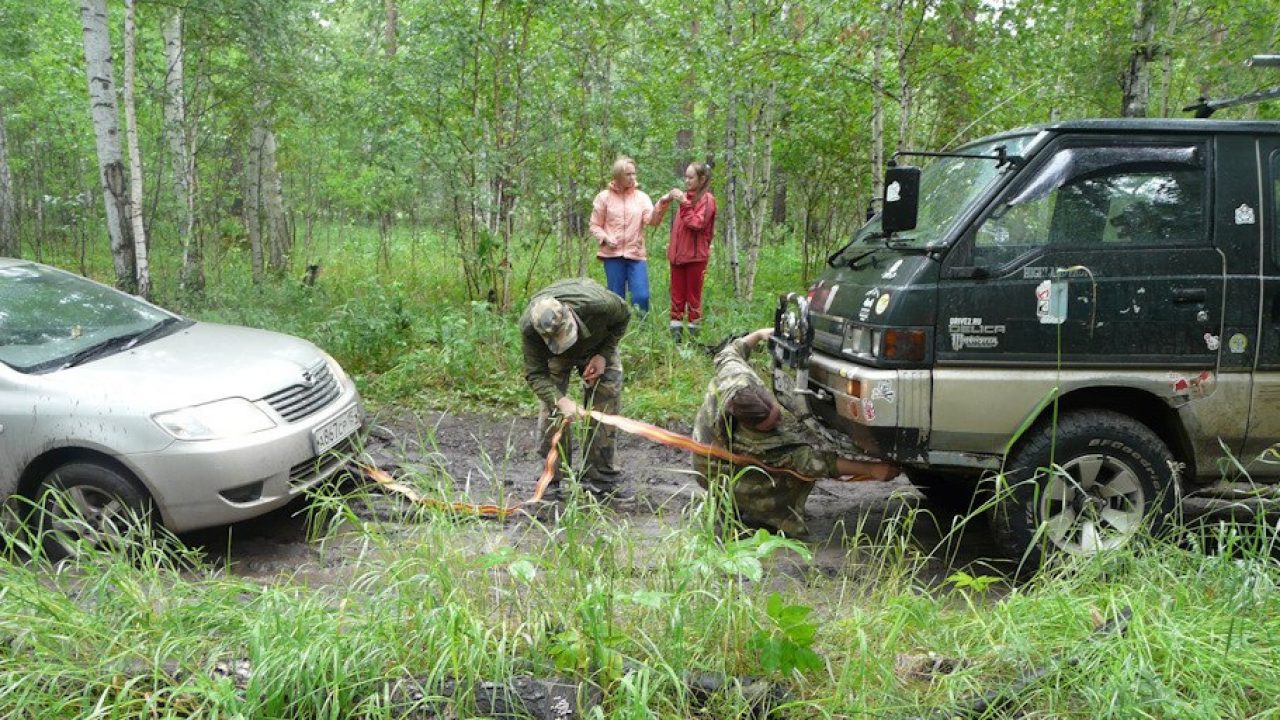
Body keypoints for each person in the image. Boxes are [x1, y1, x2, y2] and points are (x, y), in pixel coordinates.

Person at [692, 328, 898, 537]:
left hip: (706, 446)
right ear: (752, 426)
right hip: (710, 468)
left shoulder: (736, 378)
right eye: (771, 424)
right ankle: (747, 505)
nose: (779, 420)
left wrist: (761, 334)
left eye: (776, 413)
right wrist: (872, 469)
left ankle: (729, 495)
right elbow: (814, 463)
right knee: (792, 476)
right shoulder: (754, 442)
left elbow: (729, 352)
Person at [521, 277, 632, 500]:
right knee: (553, 407)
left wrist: (603, 354)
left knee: (606, 401)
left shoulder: (599, 304)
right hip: (553, 357)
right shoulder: (530, 329)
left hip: (597, 342)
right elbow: (535, 374)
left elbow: (624, 317)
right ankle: (551, 477)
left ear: (569, 312)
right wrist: (561, 401)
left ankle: (601, 480)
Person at [590, 156, 664, 313]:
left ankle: (642, 330)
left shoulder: (641, 198)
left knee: (641, 296)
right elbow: (595, 225)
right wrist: (604, 237)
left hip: (636, 254)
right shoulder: (604, 197)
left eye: (634, 174)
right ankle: (619, 332)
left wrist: (662, 204)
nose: (632, 178)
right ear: (617, 176)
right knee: (616, 299)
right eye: (628, 174)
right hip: (612, 255)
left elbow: (652, 220)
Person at [657, 162, 717, 342]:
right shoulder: (687, 199)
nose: (687, 181)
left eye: (691, 177)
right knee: (676, 299)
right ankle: (675, 341)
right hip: (678, 257)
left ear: (702, 179)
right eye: (686, 177)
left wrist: (684, 204)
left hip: (695, 258)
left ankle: (693, 341)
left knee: (693, 299)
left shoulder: (707, 199)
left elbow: (697, 224)